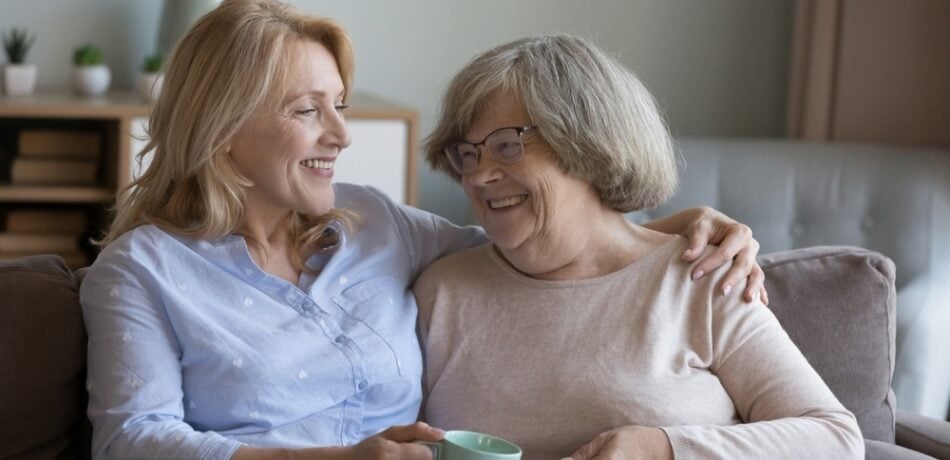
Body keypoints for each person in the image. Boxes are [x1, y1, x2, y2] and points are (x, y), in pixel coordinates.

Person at [81, 1, 766, 458]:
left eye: (340, 106)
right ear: (223, 131)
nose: (342, 134)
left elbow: (533, 241)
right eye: (308, 110)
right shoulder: (140, 271)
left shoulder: (376, 222)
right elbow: (132, 439)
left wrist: (674, 228)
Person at [415, 34, 864, 460]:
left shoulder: (703, 277)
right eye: (468, 154)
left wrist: (665, 449)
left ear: (587, 145)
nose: (477, 176)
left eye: (507, 147)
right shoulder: (440, 292)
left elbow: (835, 439)